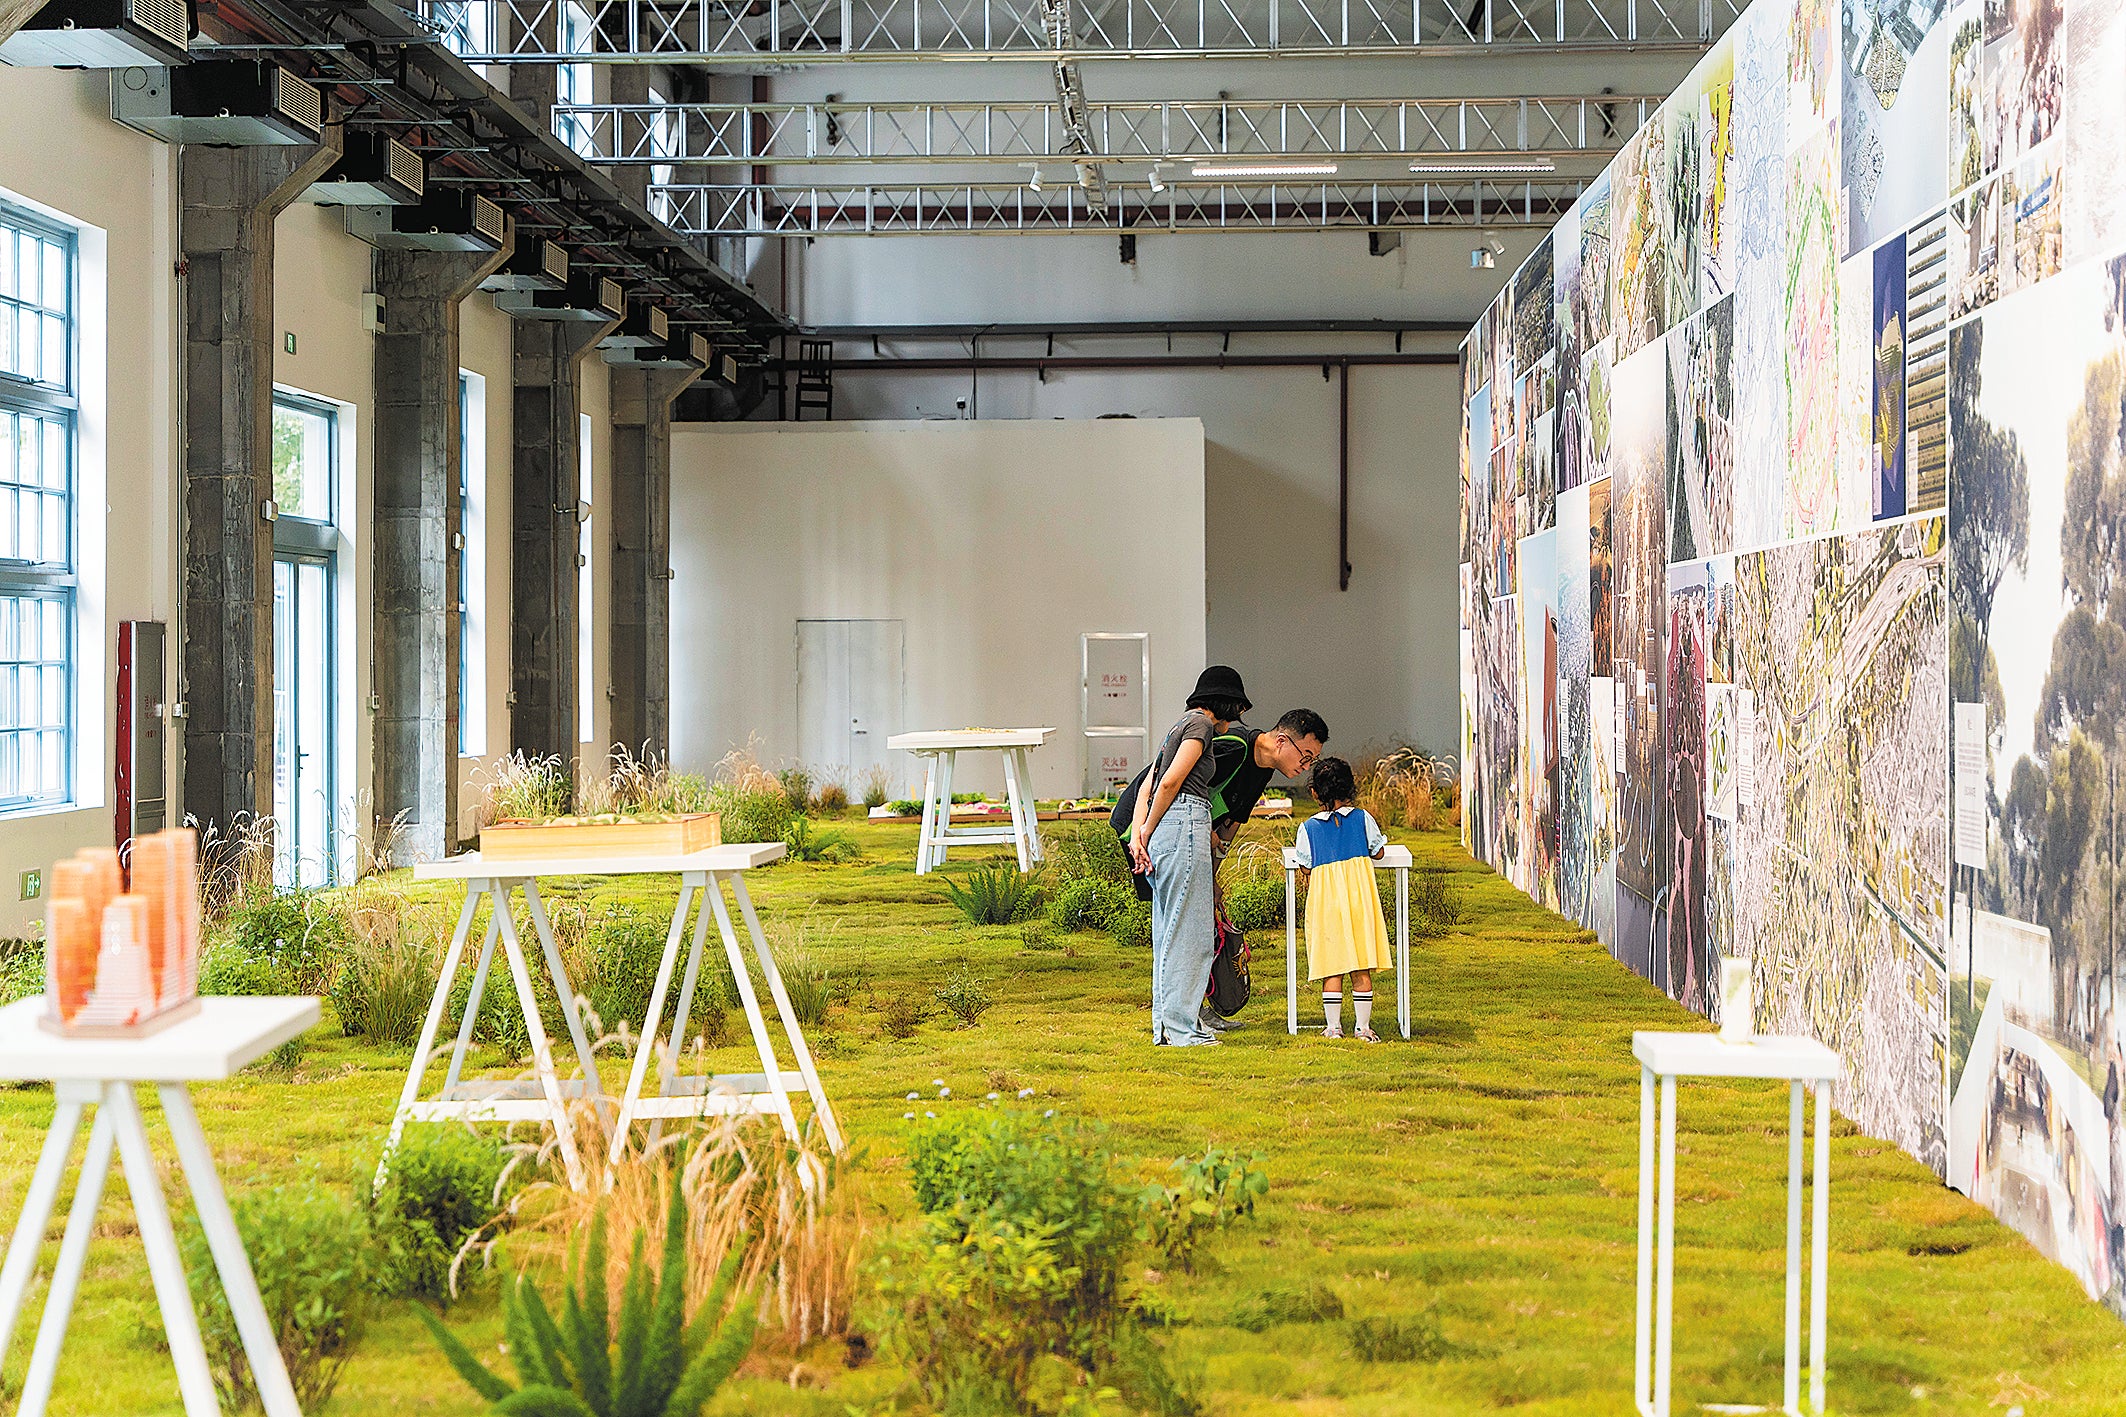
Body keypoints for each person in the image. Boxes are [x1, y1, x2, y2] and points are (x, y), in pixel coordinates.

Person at [1112, 703, 1329, 1032]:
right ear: (1283, 741)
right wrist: (1144, 831)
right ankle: (1179, 1020)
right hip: (1154, 825)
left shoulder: (1262, 772)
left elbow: (1228, 828)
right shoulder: (1232, 744)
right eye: (1306, 755)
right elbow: (1164, 781)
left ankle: (1189, 1011)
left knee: (1192, 928)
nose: (1306, 765)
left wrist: (1211, 878)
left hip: (1188, 839)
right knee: (1180, 929)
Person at [1128, 666, 1252, 1048]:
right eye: (1238, 709)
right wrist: (1146, 830)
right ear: (1227, 703)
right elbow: (1170, 782)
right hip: (1183, 820)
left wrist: (1141, 832)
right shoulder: (1200, 727)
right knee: (1191, 933)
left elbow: (1149, 781)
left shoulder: (1177, 727)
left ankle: (1166, 1028)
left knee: (1169, 930)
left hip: (1167, 824)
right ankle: (1183, 1029)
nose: (1239, 719)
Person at [1295, 756, 1393, 1042]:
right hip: (1359, 898)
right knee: (1360, 965)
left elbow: (1305, 864)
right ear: (1351, 787)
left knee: (1332, 965)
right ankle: (1363, 1028)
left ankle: (1333, 1027)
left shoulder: (1308, 828)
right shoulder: (1363, 818)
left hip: (1326, 902)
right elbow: (1378, 852)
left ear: (1314, 792)